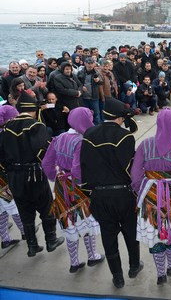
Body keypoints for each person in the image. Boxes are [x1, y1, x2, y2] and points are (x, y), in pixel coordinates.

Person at [80, 97, 143, 288]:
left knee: (108, 235)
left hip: (99, 194)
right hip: (122, 194)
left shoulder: (89, 133)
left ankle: (117, 276)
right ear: (120, 118)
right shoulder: (125, 137)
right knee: (130, 231)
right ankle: (133, 266)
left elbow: (84, 165)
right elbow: (128, 169)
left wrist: (89, 190)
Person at [0, 92, 65, 257]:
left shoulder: (6, 127)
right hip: (34, 173)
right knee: (46, 207)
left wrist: (10, 171)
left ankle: (32, 246)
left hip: (14, 175)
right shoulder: (36, 126)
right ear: (34, 110)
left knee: (25, 211)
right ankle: (51, 240)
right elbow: (42, 152)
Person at [131, 109, 171, 285]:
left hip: (150, 194)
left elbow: (135, 174)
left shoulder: (144, 144)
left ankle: (161, 274)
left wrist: (138, 189)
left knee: (156, 232)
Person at [42, 107, 104, 273]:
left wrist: (55, 177)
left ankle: (74, 262)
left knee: (69, 221)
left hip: (61, 185)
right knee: (86, 220)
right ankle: (92, 256)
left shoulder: (60, 137)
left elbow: (46, 163)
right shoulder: (82, 141)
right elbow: (77, 170)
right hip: (77, 186)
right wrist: (85, 185)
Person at [0, 106, 25, 250]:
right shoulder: (4, 135)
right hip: (2, 178)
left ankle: (5, 238)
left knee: (2, 209)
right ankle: (26, 232)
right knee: (12, 206)